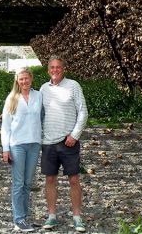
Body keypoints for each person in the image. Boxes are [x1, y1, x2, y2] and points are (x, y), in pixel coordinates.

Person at [39, 56, 88, 232]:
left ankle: (77, 217)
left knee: (74, 179)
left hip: (68, 142)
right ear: (48, 70)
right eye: (52, 67)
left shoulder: (73, 86)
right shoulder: (43, 89)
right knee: (50, 179)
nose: (55, 70)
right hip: (49, 142)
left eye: (58, 67)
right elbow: (39, 114)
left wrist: (75, 135)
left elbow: (83, 112)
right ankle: (52, 216)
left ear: (63, 69)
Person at [0, 67, 43, 232]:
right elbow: (6, 127)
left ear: (31, 78)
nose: (24, 81)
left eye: (26, 78)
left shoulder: (38, 96)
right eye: (21, 79)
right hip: (17, 145)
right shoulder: (12, 98)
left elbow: (43, 117)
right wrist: (6, 149)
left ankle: (24, 217)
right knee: (18, 183)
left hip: (34, 144)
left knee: (27, 183)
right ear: (17, 81)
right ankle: (18, 219)